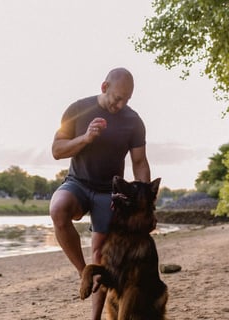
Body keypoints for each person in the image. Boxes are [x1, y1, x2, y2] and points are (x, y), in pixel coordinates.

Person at [49, 67, 151, 320]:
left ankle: (95, 317)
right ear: (104, 87)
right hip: (78, 183)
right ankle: (84, 271)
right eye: (118, 97)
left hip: (110, 193)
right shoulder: (78, 109)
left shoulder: (133, 121)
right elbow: (57, 150)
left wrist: (145, 201)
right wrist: (85, 138)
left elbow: (139, 161)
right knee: (58, 209)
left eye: (126, 99)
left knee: (101, 254)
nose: (121, 103)